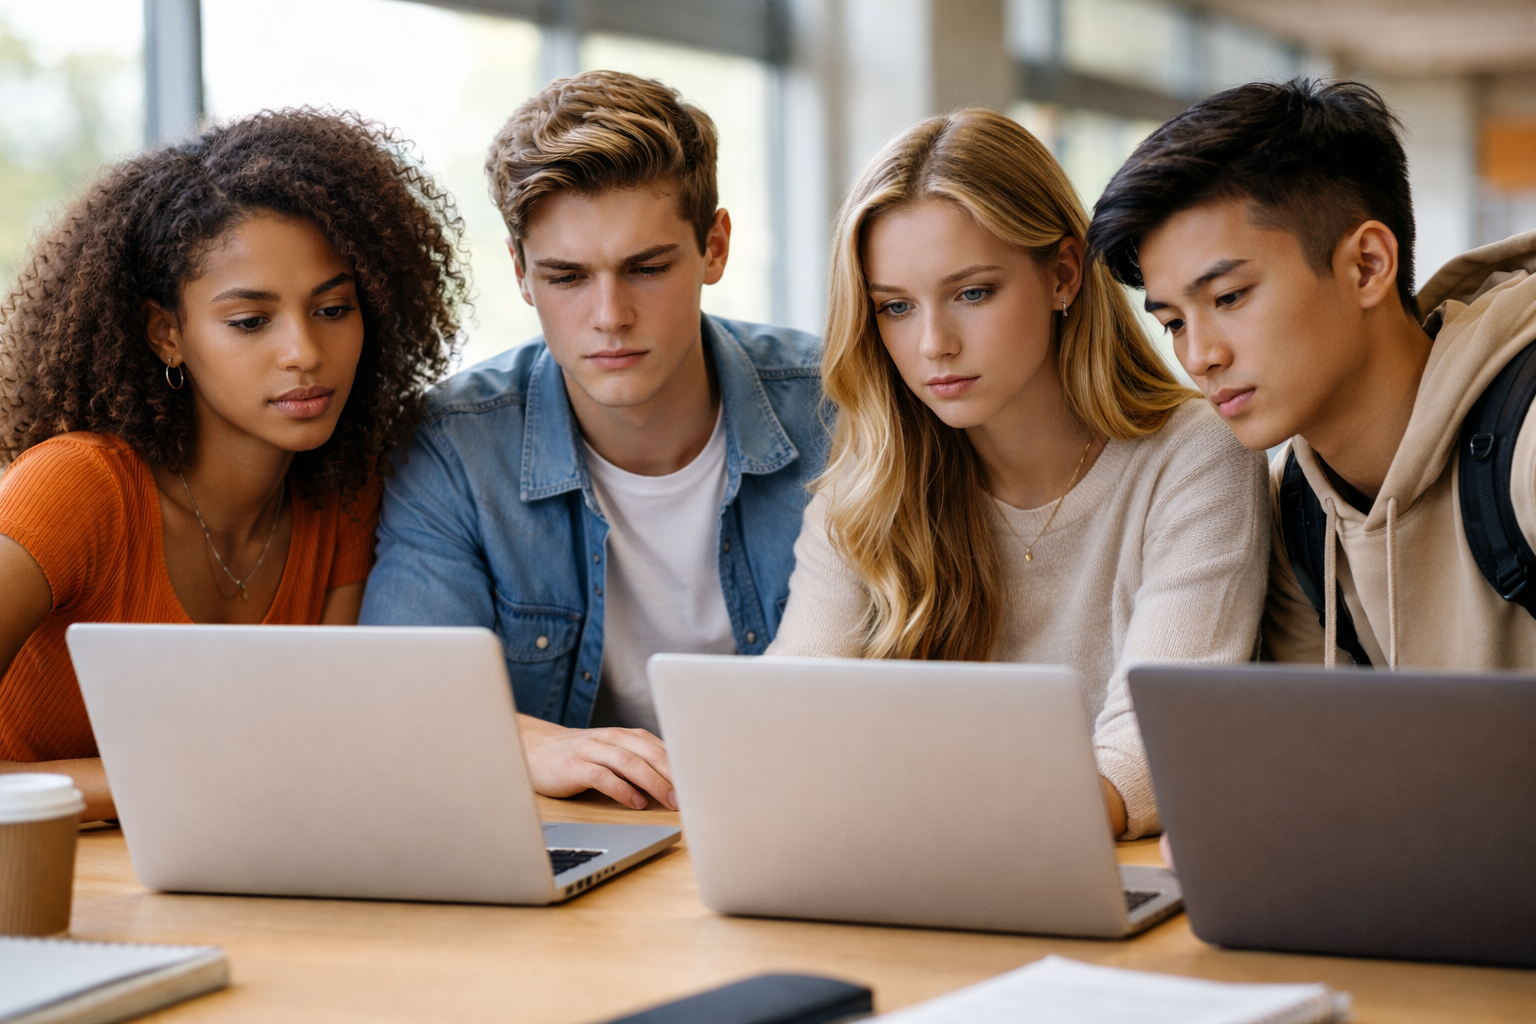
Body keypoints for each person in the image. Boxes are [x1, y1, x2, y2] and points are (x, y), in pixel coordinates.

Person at [766, 108, 1268, 840]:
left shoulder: (1195, 455)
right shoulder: (870, 483)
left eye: (972, 293)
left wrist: (954, 819)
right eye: (896, 307)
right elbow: (787, 719)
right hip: (906, 863)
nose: (934, 344)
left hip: (1088, 870)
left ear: (1063, 275)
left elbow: (1152, 747)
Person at [359, 71, 825, 812]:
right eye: (567, 277)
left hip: (802, 813)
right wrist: (528, 744)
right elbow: (404, 695)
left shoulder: (839, 411)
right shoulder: (456, 446)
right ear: (521, 273)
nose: (610, 315)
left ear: (714, 248)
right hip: (588, 836)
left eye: (647, 268)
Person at [0, 110, 467, 820]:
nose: (304, 352)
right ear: (167, 334)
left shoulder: (344, 495)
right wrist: (154, 781)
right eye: (250, 321)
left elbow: (314, 752)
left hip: (224, 862)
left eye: (333, 309)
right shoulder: (73, 488)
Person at [1089, 78, 1536, 670]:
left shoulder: (1526, 444)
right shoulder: (1298, 510)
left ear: (1367, 266)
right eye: (1172, 322)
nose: (1198, 357)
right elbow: (1310, 731)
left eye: (1228, 297)